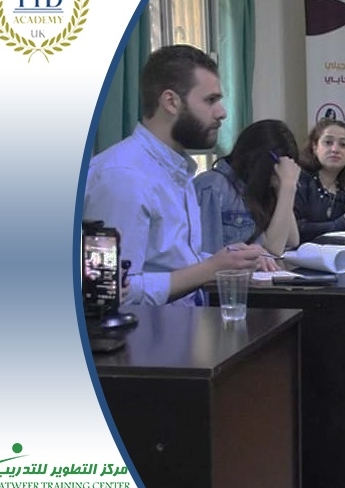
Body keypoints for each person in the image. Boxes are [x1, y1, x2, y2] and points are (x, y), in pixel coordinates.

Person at [84, 45, 262, 306]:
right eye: (210, 100)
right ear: (170, 102)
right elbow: (111, 291)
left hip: (187, 324)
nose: (222, 112)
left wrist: (233, 259)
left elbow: (171, 263)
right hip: (147, 332)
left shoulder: (175, 169)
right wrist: (210, 268)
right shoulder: (122, 176)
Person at [195, 119, 302, 258]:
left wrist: (282, 189)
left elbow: (292, 241)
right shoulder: (213, 186)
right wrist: (288, 187)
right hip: (226, 272)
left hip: (256, 271)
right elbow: (272, 251)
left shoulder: (257, 189)